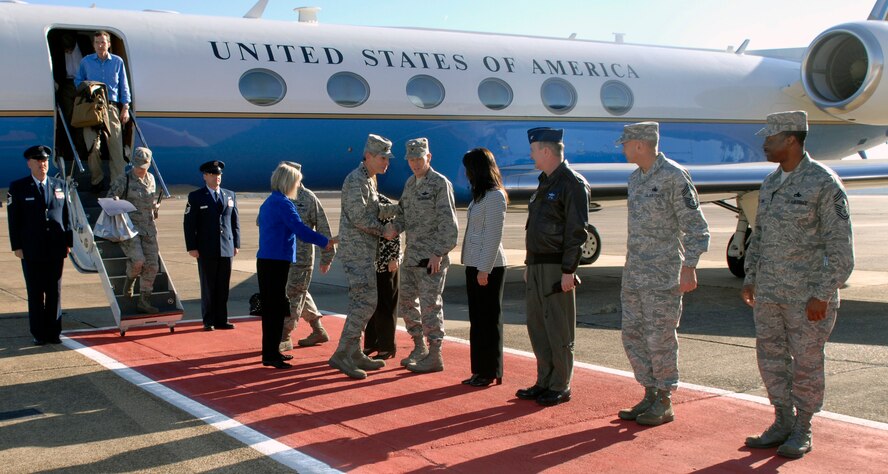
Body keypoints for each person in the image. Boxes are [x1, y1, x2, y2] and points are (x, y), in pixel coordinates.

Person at [742, 111, 854, 459]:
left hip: (808, 297)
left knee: (806, 362)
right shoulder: (771, 183)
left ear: (791, 140)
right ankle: (782, 421)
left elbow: (841, 248)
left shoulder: (824, 182)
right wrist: (750, 277)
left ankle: (803, 426)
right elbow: (758, 236)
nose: (764, 144)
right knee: (771, 359)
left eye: (771, 138)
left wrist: (823, 293)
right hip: (771, 293)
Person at [615, 122, 711, 426]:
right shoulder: (635, 179)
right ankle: (650, 392)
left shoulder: (673, 176)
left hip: (662, 275)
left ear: (640, 145)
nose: (623, 148)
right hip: (635, 274)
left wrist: (690, 267)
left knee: (660, 338)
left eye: (626, 143)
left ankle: (665, 399)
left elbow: (696, 226)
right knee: (633, 336)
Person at [516, 127, 589, 407]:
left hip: (557, 266)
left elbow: (576, 230)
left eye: (534, 150)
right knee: (537, 325)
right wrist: (528, 263)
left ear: (546, 151)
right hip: (537, 264)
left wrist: (569, 270)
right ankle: (544, 379)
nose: (531, 155)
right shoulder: (545, 182)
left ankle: (560, 384)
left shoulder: (571, 183)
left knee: (558, 326)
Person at [328, 134, 399, 379]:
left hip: (366, 251)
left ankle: (354, 351)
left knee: (363, 302)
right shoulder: (355, 180)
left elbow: (376, 209)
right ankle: (342, 354)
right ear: (368, 156)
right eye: (382, 157)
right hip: (356, 252)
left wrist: (399, 208)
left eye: (388, 158)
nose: (386, 163)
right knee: (366, 302)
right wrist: (385, 230)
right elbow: (359, 217)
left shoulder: (370, 180)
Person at [389, 137, 459, 374]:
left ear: (428, 157)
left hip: (431, 258)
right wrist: (392, 229)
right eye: (411, 159)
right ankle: (419, 347)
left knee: (430, 306)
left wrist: (438, 252)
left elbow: (449, 225)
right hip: (411, 258)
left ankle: (435, 353)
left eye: (419, 158)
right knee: (406, 302)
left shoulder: (440, 184)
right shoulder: (410, 184)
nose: (415, 163)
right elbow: (402, 215)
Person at [257, 162, 334, 369]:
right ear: (289, 181)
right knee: (275, 309)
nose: (298, 186)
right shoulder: (283, 203)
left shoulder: (270, 202)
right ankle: (271, 355)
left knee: (275, 307)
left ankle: (271, 351)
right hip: (276, 261)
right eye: (297, 182)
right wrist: (325, 242)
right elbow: (299, 229)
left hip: (269, 260)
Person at [7, 145, 73, 345]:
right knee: (36, 293)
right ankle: (38, 333)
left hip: (55, 247)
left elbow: (67, 216)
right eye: (37, 161)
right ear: (29, 164)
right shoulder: (18, 187)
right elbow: (14, 219)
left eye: (44, 161)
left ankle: (54, 333)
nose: (42, 164)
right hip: (31, 249)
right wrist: (17, 246)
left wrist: (68, 242)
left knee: (55, 292)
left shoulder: (59, 185)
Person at [460, 148, 508, 387]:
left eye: (469, 168)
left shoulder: (494, 196)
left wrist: (484, 269)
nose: (467, 174)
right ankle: (479, 369)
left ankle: (491, 370)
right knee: (477, 320)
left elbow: (493, 236)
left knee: (489, 320)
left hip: (488, 266)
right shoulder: (480, 196)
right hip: (474, 263)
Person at [184, 160, 240, 331]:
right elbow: (189, 224)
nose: (218, 177)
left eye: (219, 174)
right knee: (208, 286)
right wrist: (191, 247)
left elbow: (234, 221)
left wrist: (236, 243)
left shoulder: (230, 195)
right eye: (214, 174)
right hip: (206, 247)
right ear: (205, 176)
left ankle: (222, 319)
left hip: (226, 247)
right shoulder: (196, 196)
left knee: (223, 285)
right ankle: (208, 320)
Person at [280, 177, 335, 351]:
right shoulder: (280, 196)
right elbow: (263, 220)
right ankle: (318, 330)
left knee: (294, 295)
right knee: (299, 292)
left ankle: (285, 336)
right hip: (281, 256)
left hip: (301, 259)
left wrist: (327, 256)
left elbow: (323, 228)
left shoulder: (309, 198)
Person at [75, 30, 131, 192]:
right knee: (92, 148)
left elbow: (124, 86)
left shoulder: (117, 62)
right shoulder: (86, 62)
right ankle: (96, 180)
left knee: (116, 150)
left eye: (103, 42)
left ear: (109, 44)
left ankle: (117, 185)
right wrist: (87, 89)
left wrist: (125, 107)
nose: (100, 45)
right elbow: (78, 81)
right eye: (97, 42)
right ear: (93, 45)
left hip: (112, 107)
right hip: (92, 107)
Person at [108, 147, 161, 314]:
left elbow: (150, 201)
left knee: (152, 265)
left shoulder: (151, 179)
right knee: (138, 261)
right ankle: (130, 280)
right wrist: (116, 202)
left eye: (143, 166)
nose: (140, 169)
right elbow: (108, 200)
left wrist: (155, 207)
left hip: (149, 228)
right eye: (137, 165)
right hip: (130, 229)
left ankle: (144, 300)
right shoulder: (124, 179)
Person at [362, 193, 401, 360]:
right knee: (371, 305)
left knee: (385, 305)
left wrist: (393, 257)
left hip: (385, 262)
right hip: (370, 262)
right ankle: (371, 343)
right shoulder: (361, 203)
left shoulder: (383, 203)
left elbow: (394, 230)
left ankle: (387, 347)